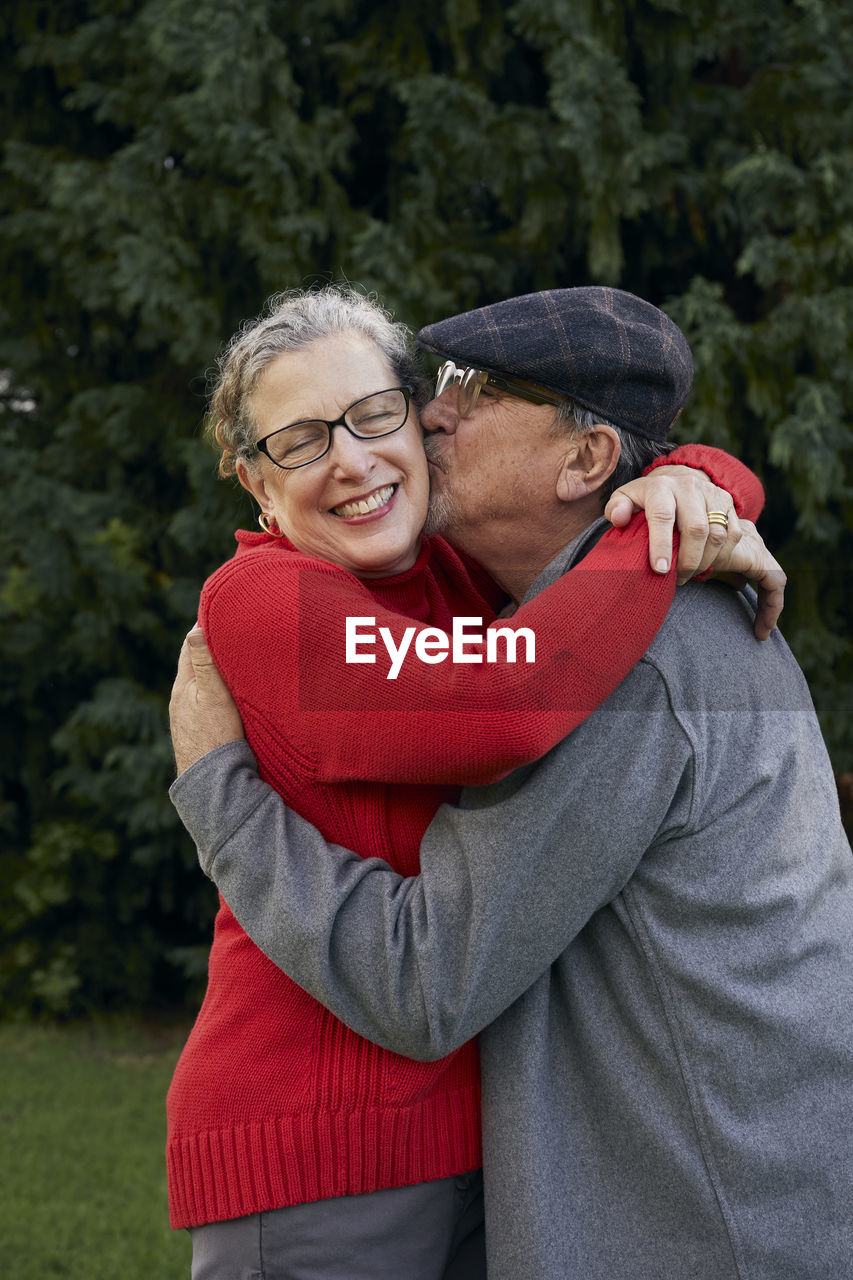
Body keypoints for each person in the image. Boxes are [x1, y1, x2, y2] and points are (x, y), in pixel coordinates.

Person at [169, 289, 851, 1280]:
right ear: (253, 482)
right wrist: (213, 785)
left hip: (648, 1195)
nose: (427, 418)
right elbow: (500, 701)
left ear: (584, 463)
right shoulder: (274, 594)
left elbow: (510, 688)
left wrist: (699, 479)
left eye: (468, 392)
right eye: (302, 439)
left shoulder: (574, 627)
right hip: (314, 1147)